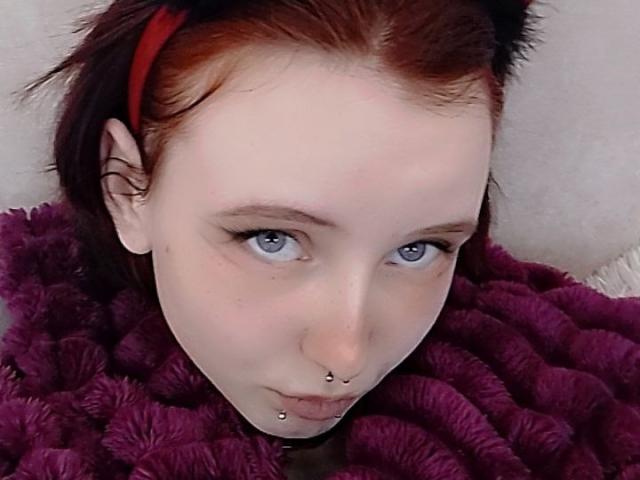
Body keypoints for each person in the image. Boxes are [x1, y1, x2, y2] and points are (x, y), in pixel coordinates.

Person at [1, 0, 639, 478]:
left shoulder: (592, 398)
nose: (347, 356)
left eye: (418, 249)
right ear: (125, 188)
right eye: (272, 239)